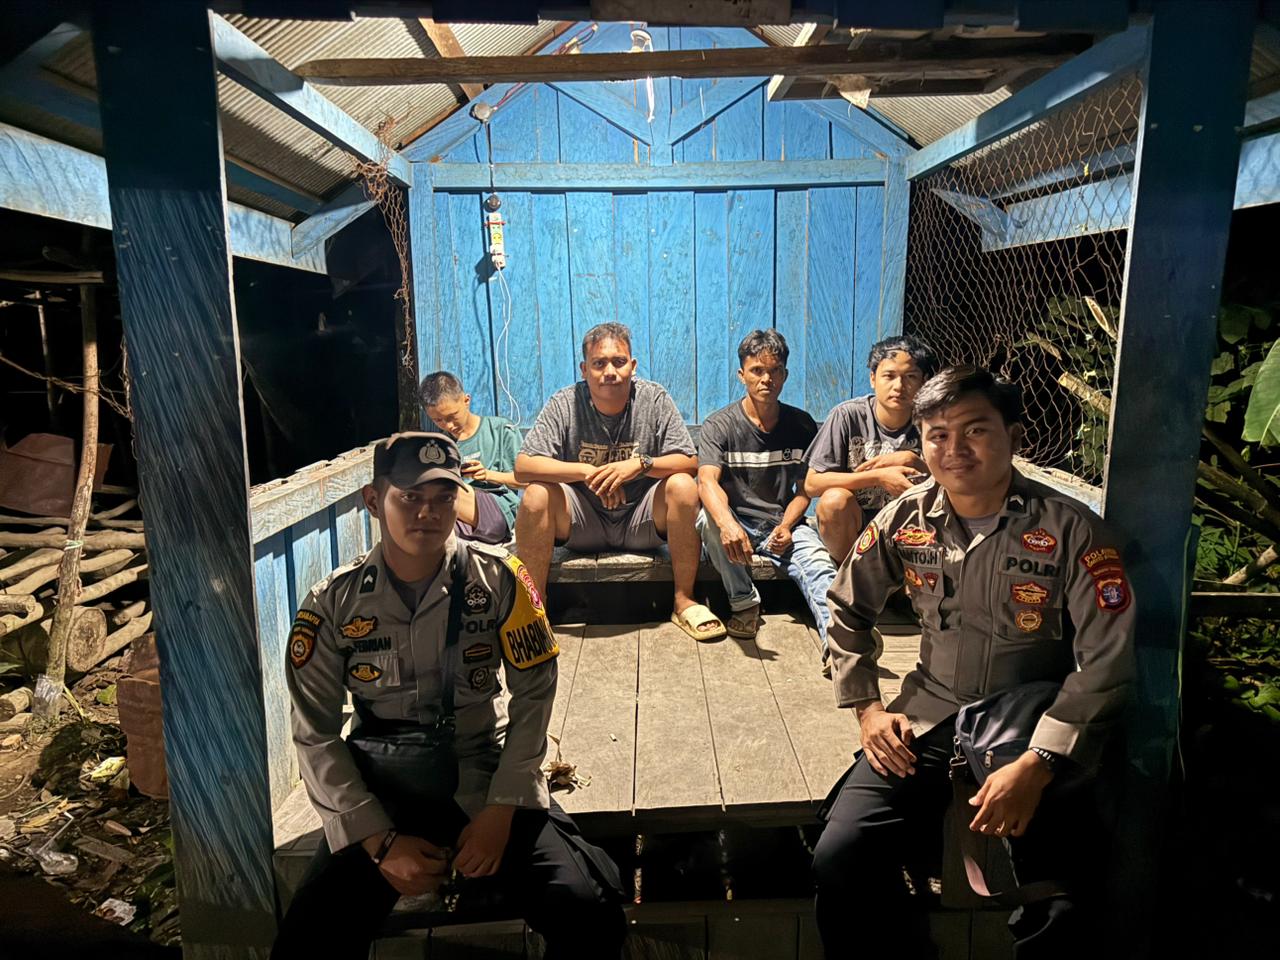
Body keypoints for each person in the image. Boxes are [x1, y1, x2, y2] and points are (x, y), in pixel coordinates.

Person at [811, 366, 1136, 960]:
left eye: (975, 430)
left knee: (1060, 900)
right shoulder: (905, 519)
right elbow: (846, 607)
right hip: (929, 717)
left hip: (1032, 727)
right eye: (937, 435)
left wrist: (1040, 762)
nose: (954, 449)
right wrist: (867, 709)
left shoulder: (1071, 531)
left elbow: (1105, 661)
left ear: (1014, 437)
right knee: (841, 854)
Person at [273, 432, 625, 960]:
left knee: (590, 912)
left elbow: (534, 696)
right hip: (384, 794)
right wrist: (379, 843)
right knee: (305, 943)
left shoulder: (501, 579)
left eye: (443, 497)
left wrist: (502, 809)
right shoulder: (334, 605)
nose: (428, 513)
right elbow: (314, 735)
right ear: (374, 501)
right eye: (409, 497)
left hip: (483, 777)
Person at [514, 322, 725, 641]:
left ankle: (684, 600)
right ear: (584, 370)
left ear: (633, 365)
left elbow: (688, 460)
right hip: (583, 521)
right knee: (535, 495)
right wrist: (587, 473)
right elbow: (524, 466)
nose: (609, 372)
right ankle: (535, 609)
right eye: (599, 363)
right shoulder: (564, 403)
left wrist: (638, 465)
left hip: (641, 520)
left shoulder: (653, 399)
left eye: (619, 362)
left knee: (682, 485)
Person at [696, 330, 837, 663]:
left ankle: (840, 643)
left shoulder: (801, 424)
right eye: (757, 371)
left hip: (782, 523)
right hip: (737, 522)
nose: (766, 379)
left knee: (819, 565)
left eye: (774, 371)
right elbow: (706, 481)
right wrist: (728, 524)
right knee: (707, 520)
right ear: (741, 374)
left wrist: (787, 525)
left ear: (785, 375)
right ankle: (744, 604)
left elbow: (805, 489)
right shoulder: (720, 425)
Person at [804, 335, 940, 562]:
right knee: (833, 501)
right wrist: (878, 477)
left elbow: (955, 485)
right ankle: (852, 574)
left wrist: (914, 461)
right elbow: (812, 484)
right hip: (857, 528)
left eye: (910, 377)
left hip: (912, 526)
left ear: (924, 382)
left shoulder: (933, 421)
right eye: (889, 376)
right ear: (873, 379)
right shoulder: (847, 416)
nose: (899, 386)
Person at [420, 371, 523, 545]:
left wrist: (488, 475)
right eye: (438, 420)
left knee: (438, 490)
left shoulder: (500, 430)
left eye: (452, 416)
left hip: (496, 512)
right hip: (456, 519)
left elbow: (525, 481)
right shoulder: (440, 446)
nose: (448, 425)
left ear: (466, 400)